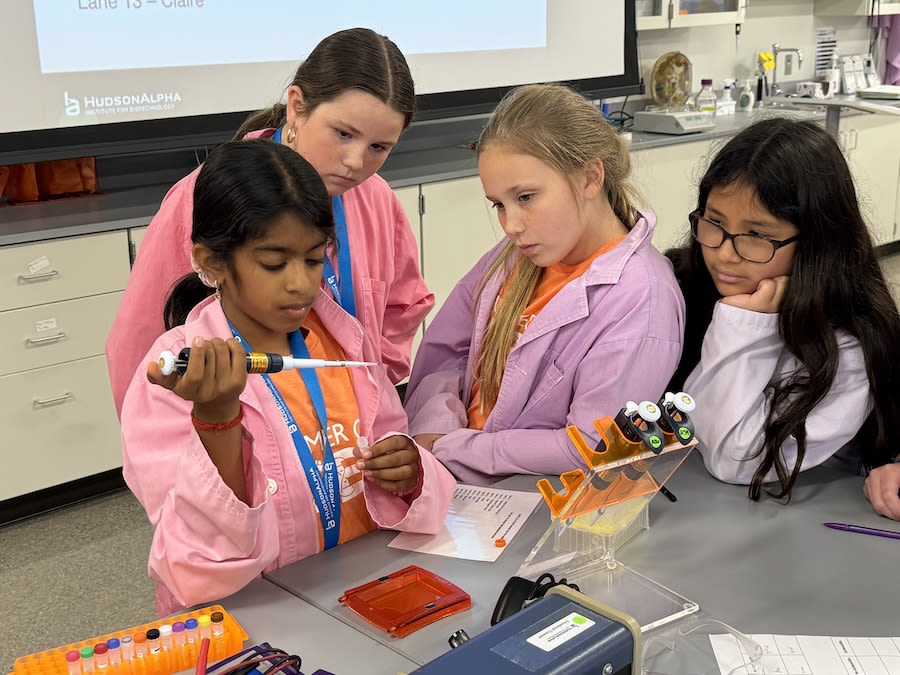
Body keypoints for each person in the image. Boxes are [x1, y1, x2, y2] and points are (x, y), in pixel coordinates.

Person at [121, 140, 454, 615]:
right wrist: (217, 420)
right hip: (256, 622)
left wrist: (410, 472)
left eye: (314, 259)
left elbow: (391, 444)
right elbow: (197, 563)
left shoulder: (343, 340)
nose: (301, 283)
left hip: (359, 595)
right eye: (274, 263)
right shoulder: (179, 376)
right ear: (213, 262)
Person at [107, 28, 433, 416]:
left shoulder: (375, 198)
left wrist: (368, 383)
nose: (356, 162)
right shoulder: (204, 197)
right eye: (344, 134)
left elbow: (404, 305)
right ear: (296, 105)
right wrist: (164, 440)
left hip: (344, 434)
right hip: (238, 435)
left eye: (379, 147)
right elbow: (141, 346)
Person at [403, 84, 685, 485]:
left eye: (527, 197)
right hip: (449, 474)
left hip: (527, 498)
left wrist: (453, 447)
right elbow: (447, 354)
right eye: (499, 204)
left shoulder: (642, 297)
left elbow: (591, 446)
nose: (511, 224)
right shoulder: (516, 256)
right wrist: (436, 425)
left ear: (590, 177)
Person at [666, 118, 900, 502]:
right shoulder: (685, 285)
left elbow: (734, 460)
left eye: (757, 235)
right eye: (715, 222)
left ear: (814, 242)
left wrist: (743, 324)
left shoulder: (850, 344)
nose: (724, 253)